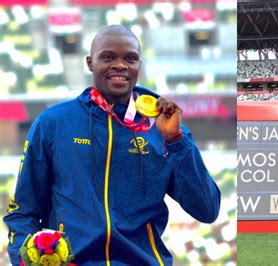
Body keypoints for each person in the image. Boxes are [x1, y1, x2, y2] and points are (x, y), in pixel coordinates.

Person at [3, 25, 221, 265]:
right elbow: (23, 213)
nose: (120, 65)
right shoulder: (54, 123)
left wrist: (176, 141)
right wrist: (28, 260)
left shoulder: (162, 128)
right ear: (89, 63)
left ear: (139, 65)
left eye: (130, 58)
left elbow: (207, 209)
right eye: (108, 57)